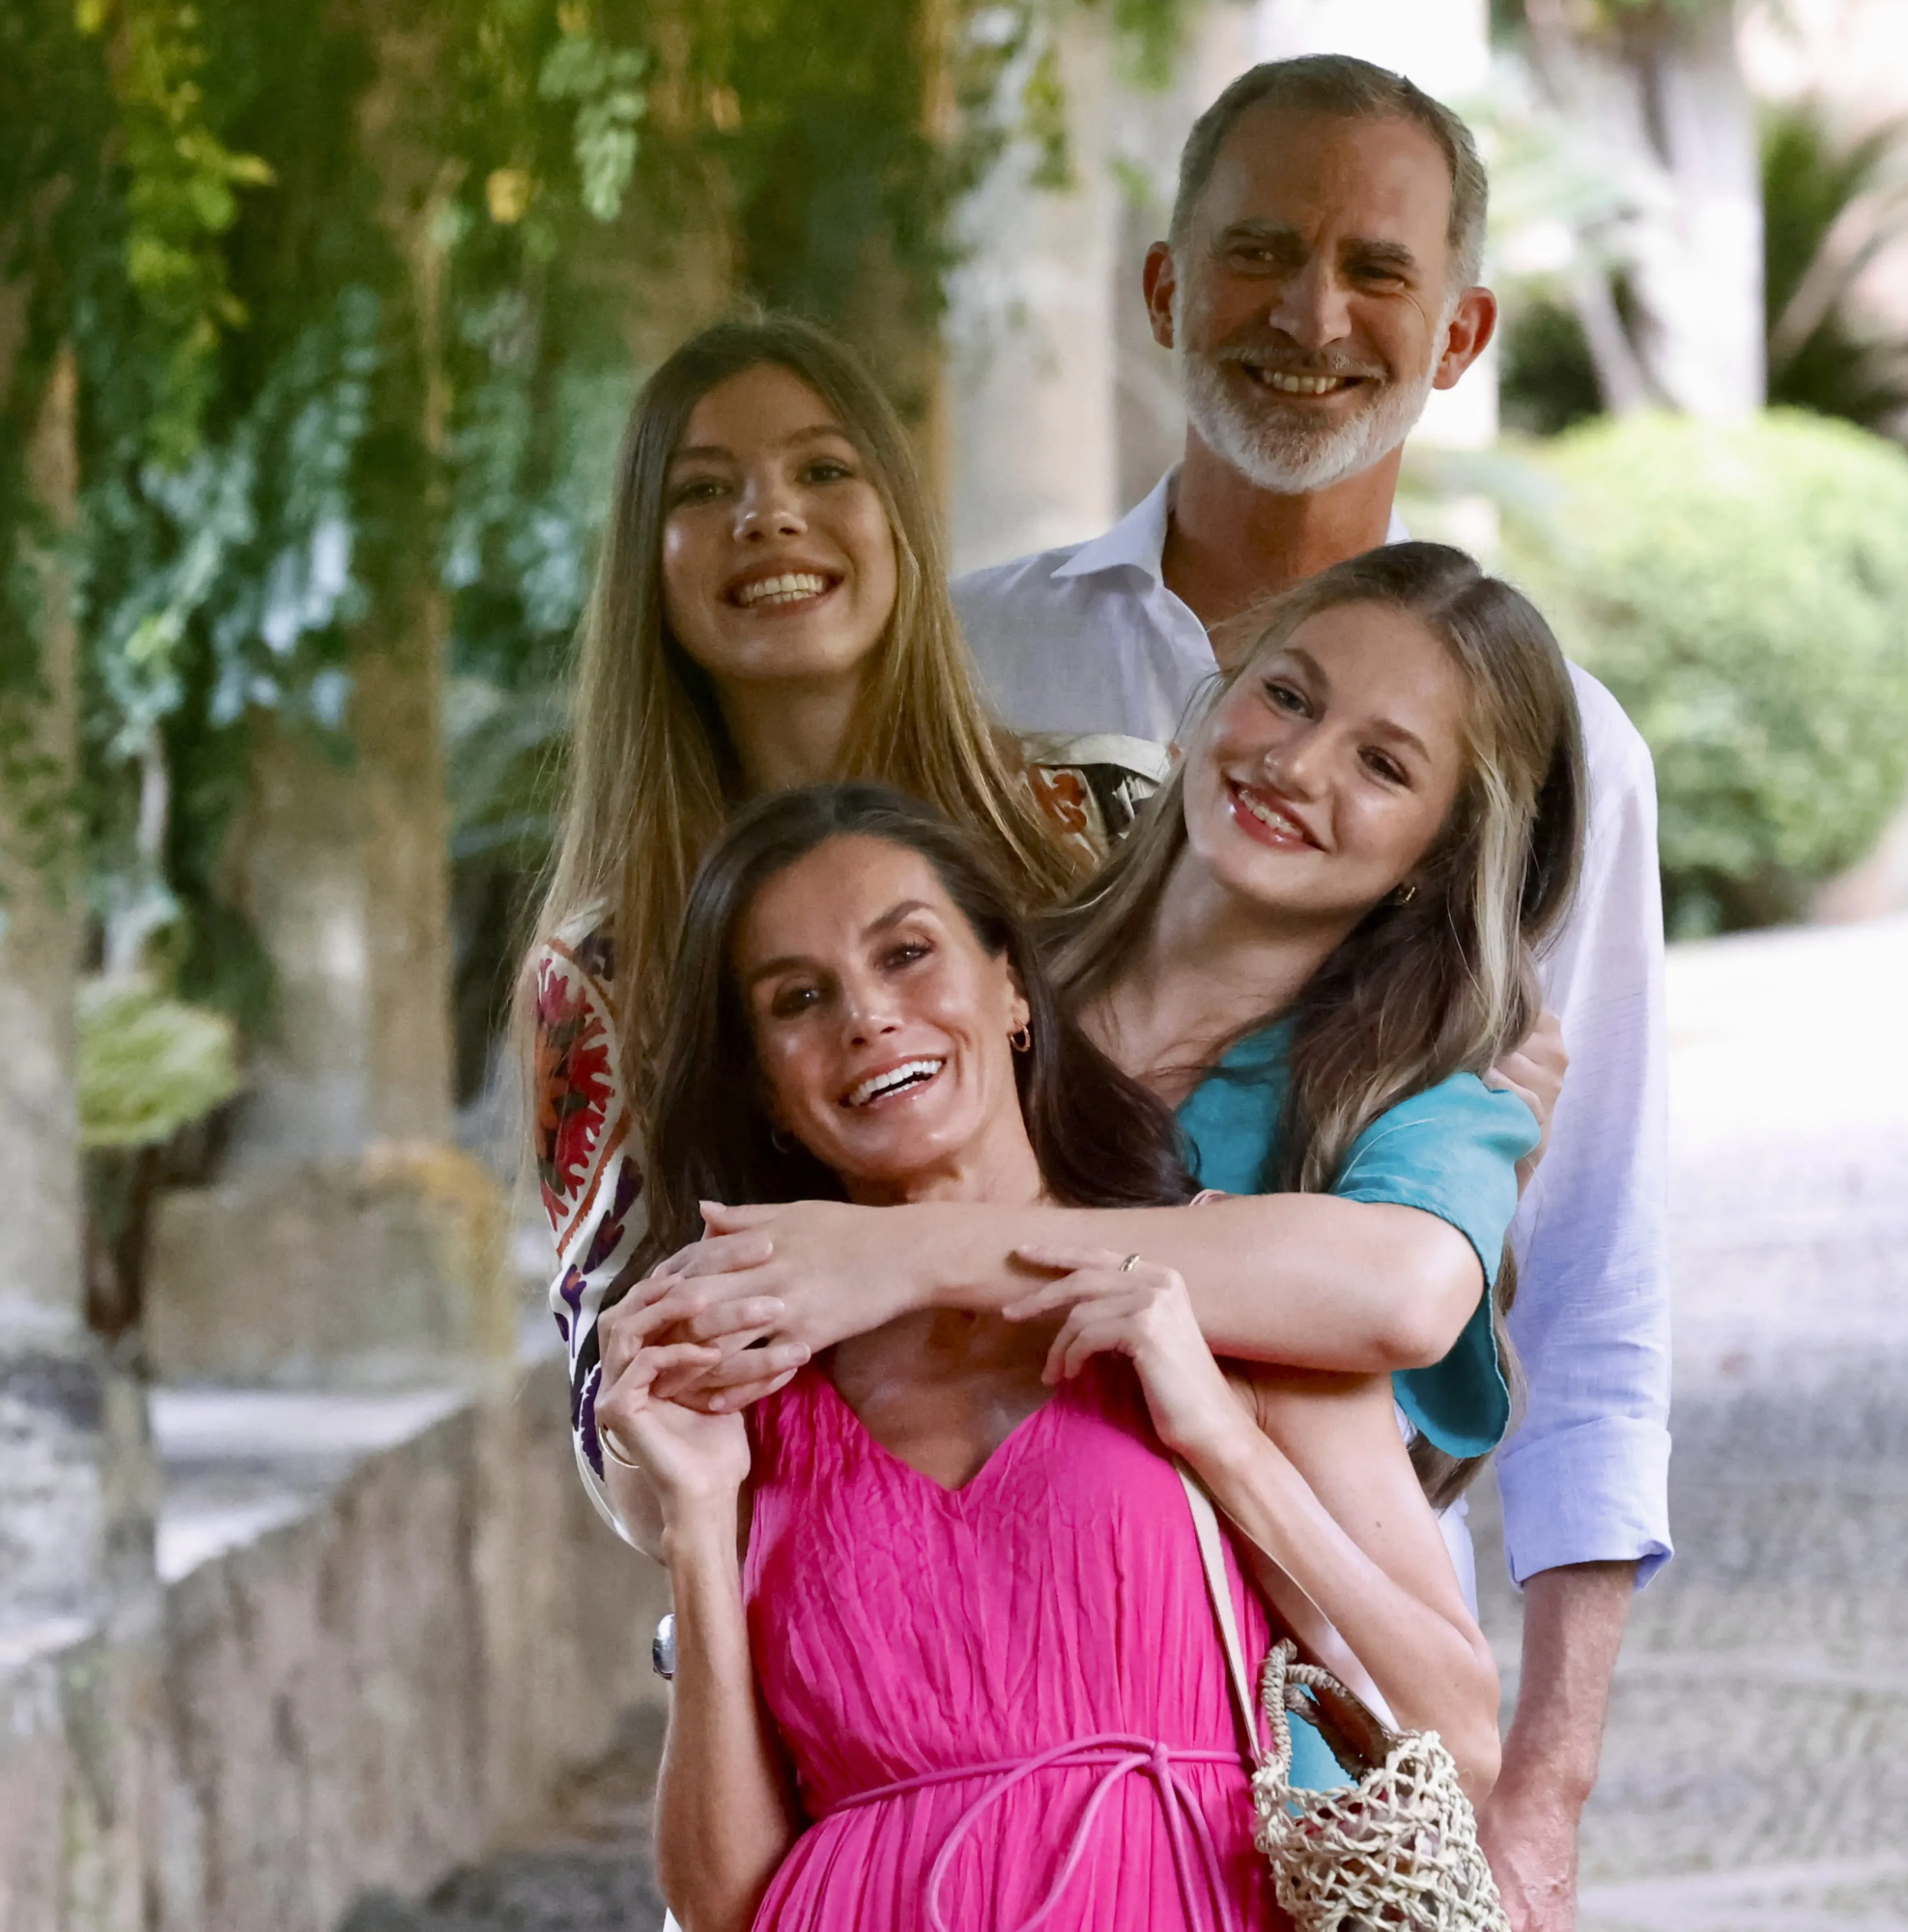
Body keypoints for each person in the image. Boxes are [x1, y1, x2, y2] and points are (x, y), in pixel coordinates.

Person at [949, 55, 1671, 1929]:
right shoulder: (964, 663)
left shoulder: (1561, 753)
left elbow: (1587, 1276)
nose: (1312, 314)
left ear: (1461, 331)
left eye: (1375, 267)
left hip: (1295, 1684)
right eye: (1258, 252)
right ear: (1165, 287)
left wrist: (1541, 1796)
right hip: (930, 1631)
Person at [595, 783, 1495, 1932]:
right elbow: (721, 1900)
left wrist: (1221, 1443)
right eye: (798, 998)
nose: (867, 1016)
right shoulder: (749, 1391)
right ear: (767, 1088)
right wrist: (696, 1520)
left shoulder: (1221, 1292)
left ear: (1012, 985)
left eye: (907, 952)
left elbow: (1458, 1735)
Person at [624, 544, 1581, 1618]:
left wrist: (906, 1255)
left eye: (1383, 765)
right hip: (903, 1689)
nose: (1299, 765)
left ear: (1439, 853)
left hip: (1246, 1740)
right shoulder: (968, 981)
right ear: (1214, 695)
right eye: (1285, 695)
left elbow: (1399, 1293)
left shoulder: (1434, 1088)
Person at [525, 314, 1168, 1543]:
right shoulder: (603, 970)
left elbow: (1290, 1166)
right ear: (645, 564)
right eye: (704, 488)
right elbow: (618, 1428)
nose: (768, 515)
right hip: (846, 1582)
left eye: (824, 469)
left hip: (1186, 1526)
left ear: (898, 519)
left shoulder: (1115, 813)